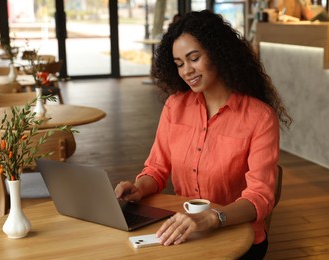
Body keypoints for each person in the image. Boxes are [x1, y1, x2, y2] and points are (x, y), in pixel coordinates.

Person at [115, 10, 292, 259]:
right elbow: (156, 169)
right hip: (186, 233)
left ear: (218, 53)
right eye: (179, 64)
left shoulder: (259, 117)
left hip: (239, 236)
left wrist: (213, 218)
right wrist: (139, 188)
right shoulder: (175, 106)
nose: (187, 70)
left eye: (194, 58)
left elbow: (261, 196)